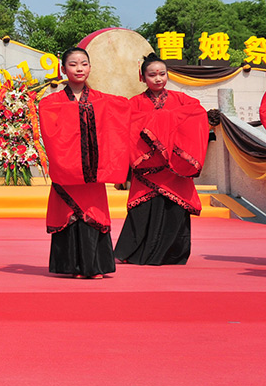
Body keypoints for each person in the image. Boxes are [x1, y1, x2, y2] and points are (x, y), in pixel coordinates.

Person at [38, 47, 130, 279]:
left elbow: (121, 115)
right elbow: (51, 132)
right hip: (68, 169)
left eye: (84, 64)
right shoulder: (52, 102)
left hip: (92, 173)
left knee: (93, 214)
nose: (79, 68)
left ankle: (95, 265)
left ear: (90, 67)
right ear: (63, 69)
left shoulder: (103, 100)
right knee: (70, 213)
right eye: (73, 64)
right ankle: (73, 267)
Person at [114, 54, 209, 265]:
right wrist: (163, 124)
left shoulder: (182, 100)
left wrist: (159, 123)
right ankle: (135, 253)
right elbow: (126, 127)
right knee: (142, 211)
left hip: (174, 167)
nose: (158, 79)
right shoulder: (134, 103)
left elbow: (197, 114)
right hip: (147, 165)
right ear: (142, 77)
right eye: (152, 75)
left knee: (174, 211)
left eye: (162, 74)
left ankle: (172, 254)